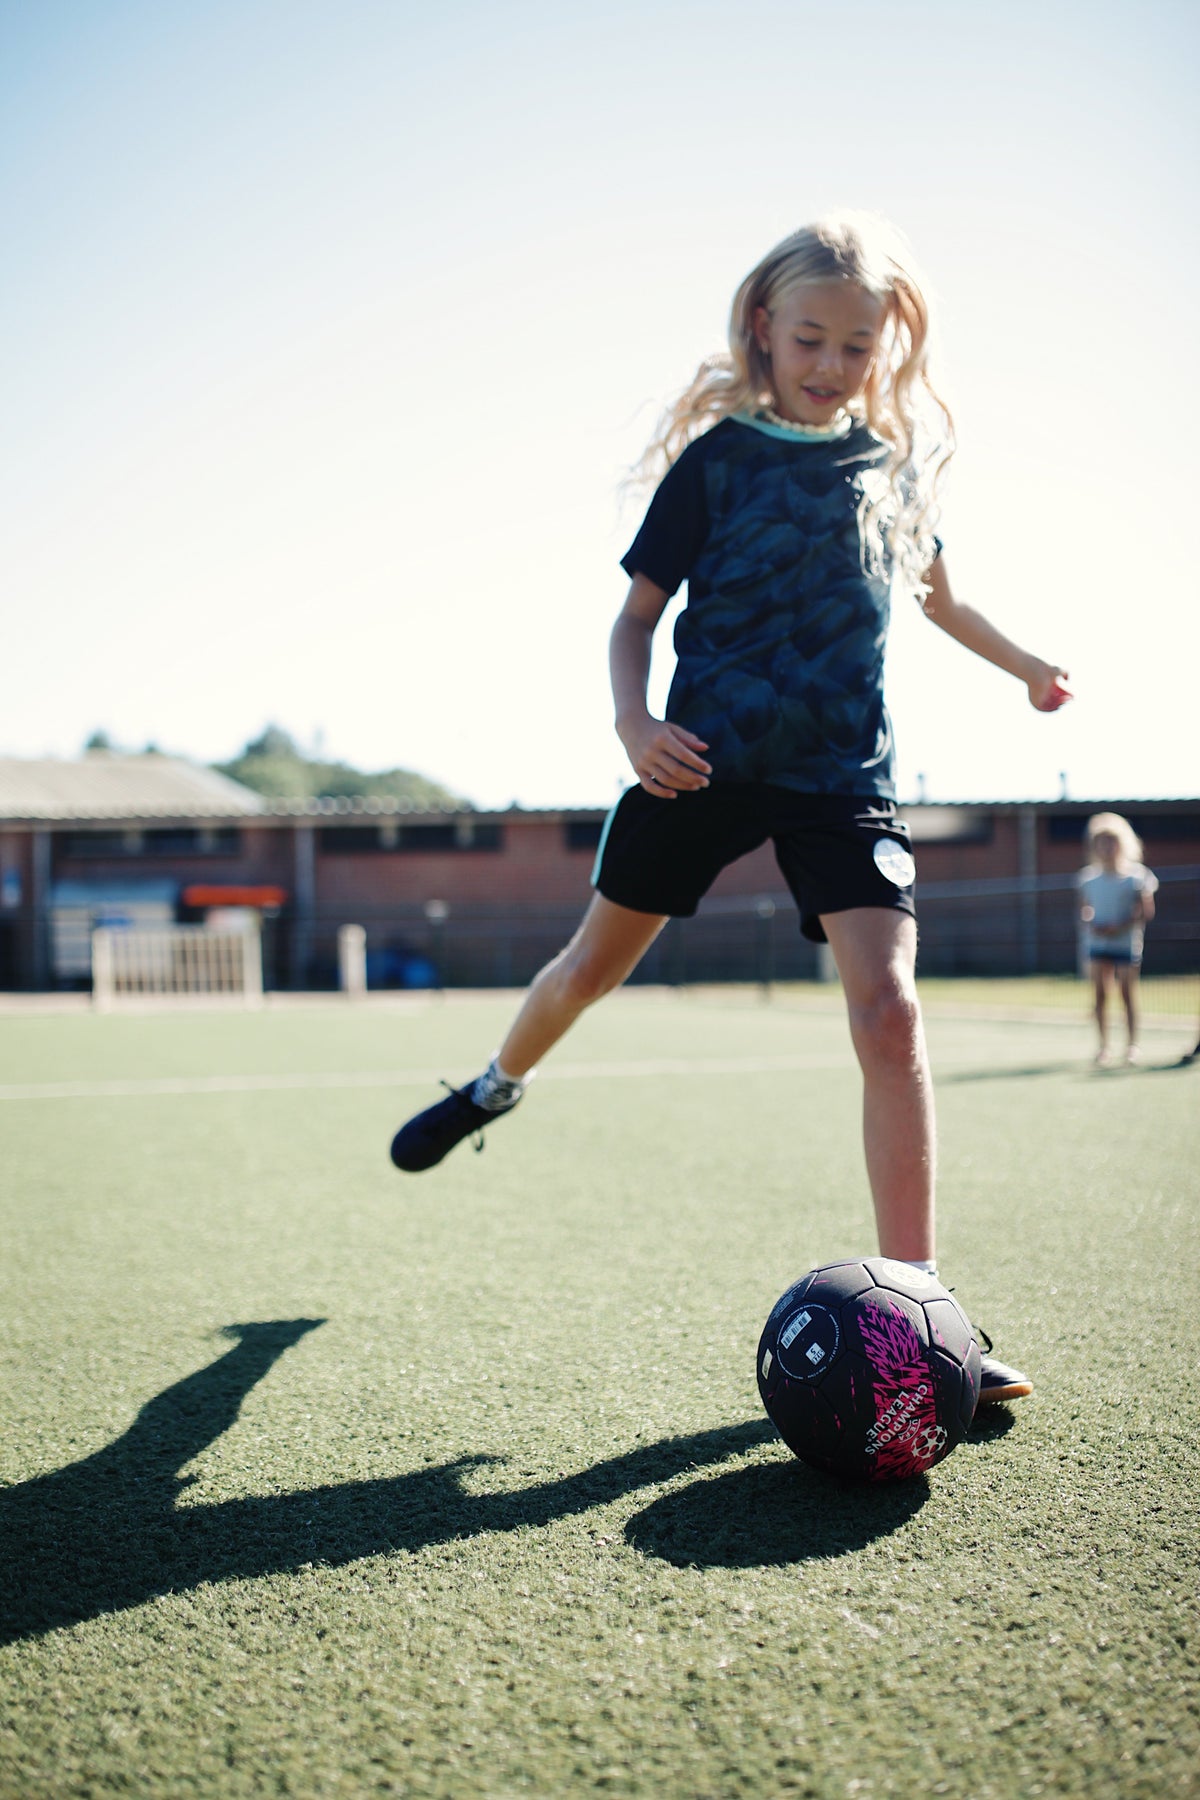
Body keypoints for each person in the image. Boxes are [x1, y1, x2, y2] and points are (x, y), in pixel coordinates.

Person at [391, 213, 1071, 1405]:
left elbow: (943, 603)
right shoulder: (717, 461)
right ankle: (495, 1083)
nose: (830, 363)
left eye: (857, 347)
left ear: (887, 349)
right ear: (765, 328)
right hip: (698, 761)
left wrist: (1026, 667)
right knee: (588, 973)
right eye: (810, 337)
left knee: (891, 1013)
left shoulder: (892, 471)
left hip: (843, 778)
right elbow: (634, 620)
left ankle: (919, 1310)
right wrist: (634, 726)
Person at [1078, 813, 1158, 1067]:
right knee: (1100, 995)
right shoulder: (1087, 879)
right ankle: (1103, 1047)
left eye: (1111, 841)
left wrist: (1119, 926)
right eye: (1101, 842)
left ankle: (1132, 1045)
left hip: (1125, 943)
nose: (1106, 847)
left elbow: (1145, 912)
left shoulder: (1137, 876)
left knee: (1127, 993)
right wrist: (1093, 923)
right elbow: (1085, 910)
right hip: (1098, 944)